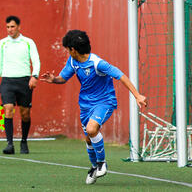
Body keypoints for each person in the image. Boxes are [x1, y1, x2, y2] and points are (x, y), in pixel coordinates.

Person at [40, 30, 147, 185]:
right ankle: (93, 167)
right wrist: (54, 79)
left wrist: (137, 95)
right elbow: (63, 78)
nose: (67, 52)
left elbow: (120, 75)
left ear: (73, 49)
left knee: (91, 130)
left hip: (104, 102)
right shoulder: (73, 61)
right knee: (89, 139)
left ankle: (101, 163)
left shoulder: (98, 63)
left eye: (67, 49)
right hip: (85, 105)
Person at [0, 15, 40, 154]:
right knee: (8, 109)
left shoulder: (28, 42)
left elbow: (36, 60)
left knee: (25, 113)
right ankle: (9, 144)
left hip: (24, 81)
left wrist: (34, 76)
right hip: (7, 81)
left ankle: (24, 142)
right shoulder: (2, 43)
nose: (10, 29)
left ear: (19, 27)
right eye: (7, 27)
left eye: (12, 26)